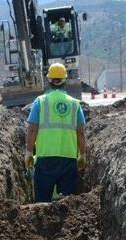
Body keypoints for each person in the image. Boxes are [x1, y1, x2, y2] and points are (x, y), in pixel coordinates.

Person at [25, 63, 86, 203]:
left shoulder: (40, 102)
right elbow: (81, 133)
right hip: (69, 159)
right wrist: (82, 155)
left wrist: (28, 152)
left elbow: (32, 129)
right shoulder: (75, 104)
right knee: (68, 204)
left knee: (42, 204)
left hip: (45, 158)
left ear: (49, 80)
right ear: (65, 80)